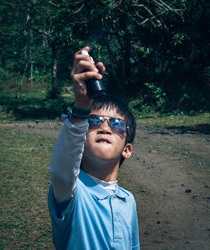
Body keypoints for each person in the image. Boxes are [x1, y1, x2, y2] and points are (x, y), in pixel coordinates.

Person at [48, 46, 140, 250]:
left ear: (127, 149)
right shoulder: (70, 191)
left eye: (116, 124)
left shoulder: (129, 201)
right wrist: (81, 106)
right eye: (94, 121)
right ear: (82, 136)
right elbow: (63, 169)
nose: (105, 127)